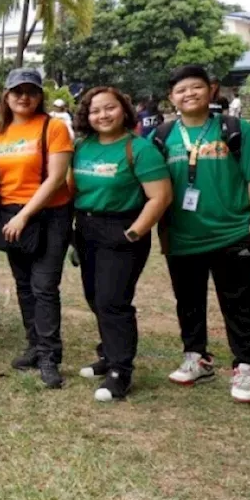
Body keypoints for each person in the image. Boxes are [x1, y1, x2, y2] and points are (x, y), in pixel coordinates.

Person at [156, 64, 250, 404]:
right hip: (182, 235)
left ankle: (246, 366)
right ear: (171, 97)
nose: (188, 94)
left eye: (195, 87)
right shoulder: (162, 136)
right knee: (188, 301)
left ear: (212, 89)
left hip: (231, 232)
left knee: (237, 303)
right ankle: (196, 357)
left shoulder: (236, 130)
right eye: (180, 90)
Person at [69, 86, 172, 402]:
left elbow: (161, 196)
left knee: (114, 300)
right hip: (87, 227)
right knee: (94, 297)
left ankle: (120, 372)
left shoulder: (139, 149)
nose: (102, 115)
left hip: (123, 228)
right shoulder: (82, 147)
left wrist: (133, 233)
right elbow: (71, 188)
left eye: (109, 108)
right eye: (95, 110)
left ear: (124, 110)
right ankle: (108, 354)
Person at [0, 68, 75, 390]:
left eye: (30, 91)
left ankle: (51, 355)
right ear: (6, 97)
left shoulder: (53, 128)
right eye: (16, 91)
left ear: (40, 96)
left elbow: (56, 179)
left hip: (49, 216)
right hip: (11, 215)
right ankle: (34, 347)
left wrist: (25, 215)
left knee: (44, 287)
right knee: (23, 285)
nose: (23, 97)